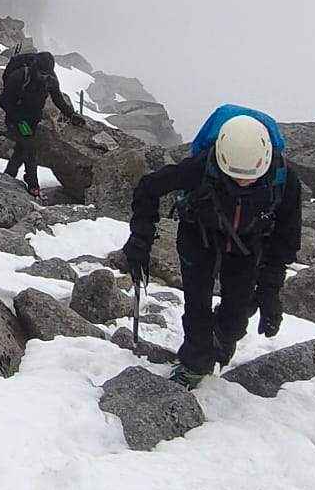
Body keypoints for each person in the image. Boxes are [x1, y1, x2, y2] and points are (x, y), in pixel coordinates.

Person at [117, 104, 301, 388]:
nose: (242, 181)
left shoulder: (285, 181)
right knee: (196, 306)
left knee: (236, 318)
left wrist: (270, 290)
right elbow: (149, 187)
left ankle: (221, 338)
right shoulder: (203, 166)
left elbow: (286, 238)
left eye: (249, 177)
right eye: (235, 176)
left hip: (247, 244)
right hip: (198, 235)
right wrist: (140, 237)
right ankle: (194, 364)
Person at [0, 51, 86, 194]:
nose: (43, 77)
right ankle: (33, 184)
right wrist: (18, 119)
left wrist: (71, 114)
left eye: (46, 74)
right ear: (35, 67)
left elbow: (58, 99)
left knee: (22, 148)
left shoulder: (50, 79)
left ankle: (8, 175)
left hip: (33, 118)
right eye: (41, 73)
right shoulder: (20, 76)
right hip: (15, 117)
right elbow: (3, 100)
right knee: (29, 149)